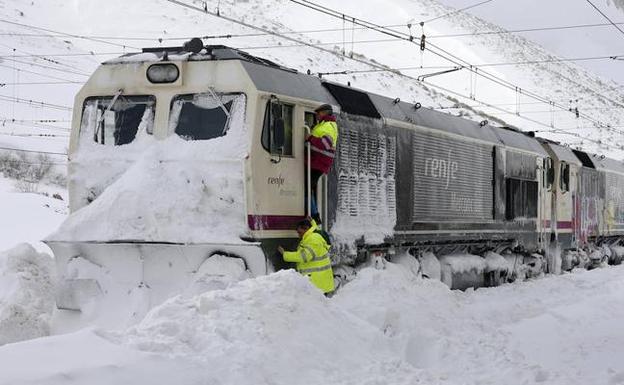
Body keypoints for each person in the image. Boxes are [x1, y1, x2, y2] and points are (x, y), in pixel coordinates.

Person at [278, 218, 335, 294]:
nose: (299, 235)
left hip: (318, 283)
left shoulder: (313, 239)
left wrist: (285, 254)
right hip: (319, 281)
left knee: (315, 305)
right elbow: (315, 228)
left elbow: (304, 256)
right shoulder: (312, 235)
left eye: (299, 232)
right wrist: (312, 222)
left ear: (306, 229)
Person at [305, 104, 338, 223]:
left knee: (307, 188)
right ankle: (313, 214)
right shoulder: (322, 125)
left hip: (319, 162)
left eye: (318, 113)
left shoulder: (329, 126)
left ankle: (314, 216)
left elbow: (326, 144)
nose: (316, 115)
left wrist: (309, 139)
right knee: (308, 187)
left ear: (325, 113)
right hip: (316, 161)